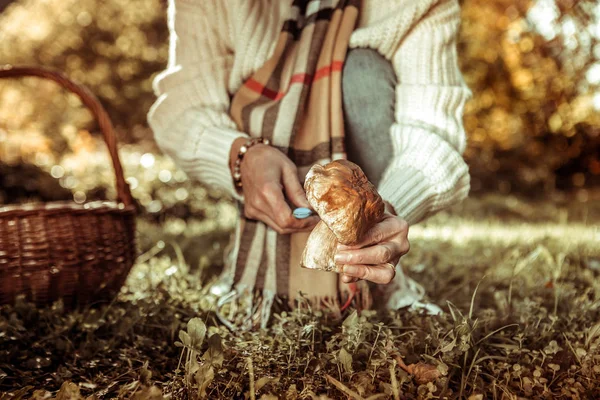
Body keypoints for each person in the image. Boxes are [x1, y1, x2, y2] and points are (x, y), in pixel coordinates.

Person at [148, 0, 471, 328]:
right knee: (259, 87)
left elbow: (434, 133)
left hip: (375, 182)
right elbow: (183, 109)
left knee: (363, 72)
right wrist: (240, 155)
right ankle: (255, 270)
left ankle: (379, 277)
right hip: (254, 148)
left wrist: (388, 209)